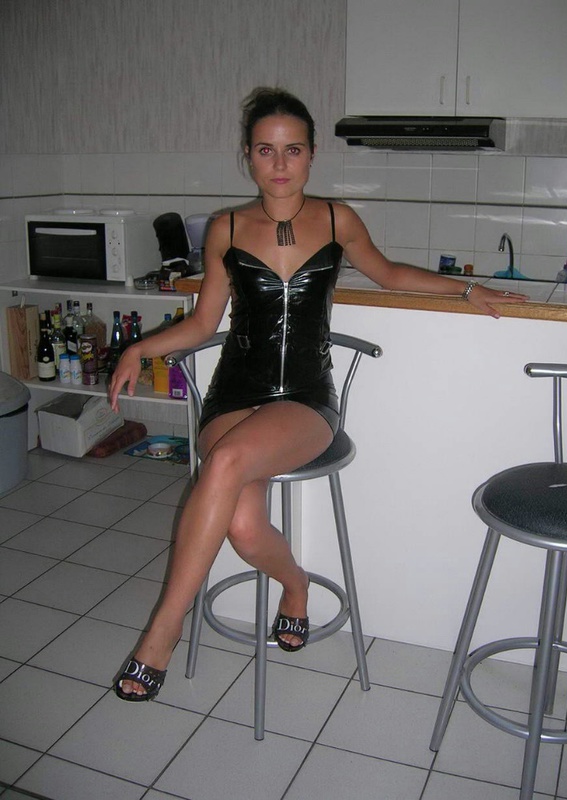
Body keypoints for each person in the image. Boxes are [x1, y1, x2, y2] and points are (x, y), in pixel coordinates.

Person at [110, 87, 528, 700]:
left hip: (306, 398)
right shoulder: (226, 228)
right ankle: (296, 584)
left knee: (223, 464)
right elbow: (203, 324)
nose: (280, 163)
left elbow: (388, 273)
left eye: (293, 150)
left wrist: (466, 290)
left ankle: (162, 633)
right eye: (265, 150)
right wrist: (139, 348)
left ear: (311, 155)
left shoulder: (337, 219)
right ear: (248, 157)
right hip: (234, 393)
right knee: (244, 527)